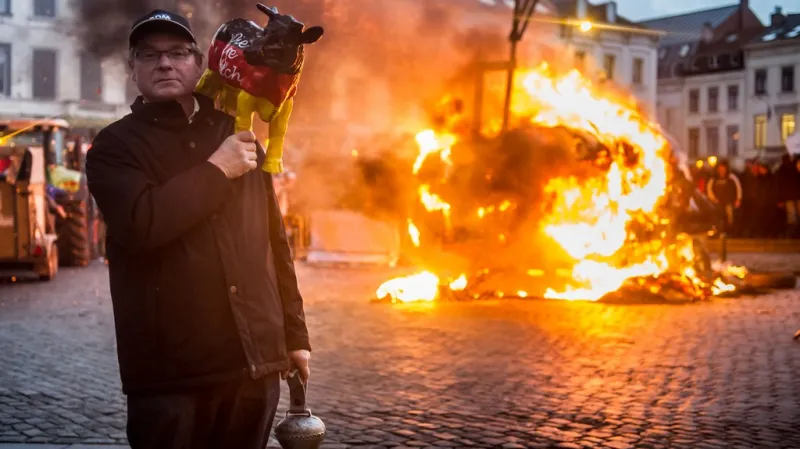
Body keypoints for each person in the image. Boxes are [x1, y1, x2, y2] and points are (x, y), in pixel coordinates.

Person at [85, 10, 311, 449]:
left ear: (199, 63)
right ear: (133, 70)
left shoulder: (238, 131)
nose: (164, 64)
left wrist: (295, 336)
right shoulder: (114, 146)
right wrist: (217, 169)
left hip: (253, 366)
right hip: (170, 372)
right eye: (149, 56)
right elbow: (141, 224)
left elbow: (274, 241)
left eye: (177, 53)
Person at [706, 159, 742, 235]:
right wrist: (713, 198)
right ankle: (720, 231)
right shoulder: (714, 178)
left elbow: (738, 187)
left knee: (730, 217)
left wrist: (738, 199)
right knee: (719, 217)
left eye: (723, 168)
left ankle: (730, 231)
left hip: (729, 201)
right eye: (720, 168)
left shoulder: (731, 177)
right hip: (718, 202)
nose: (721, 170)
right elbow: (709, 189)